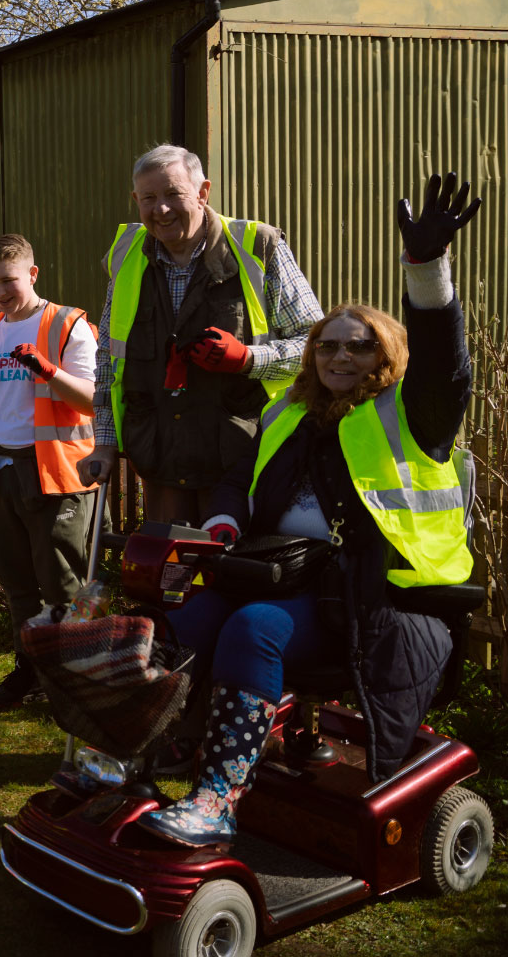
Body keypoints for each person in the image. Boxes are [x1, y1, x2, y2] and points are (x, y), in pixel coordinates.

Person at [137, 174, 478, 847]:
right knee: (175, 620)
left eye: (359, 345)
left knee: (254, 628)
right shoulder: (286, 411)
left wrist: (426, 270)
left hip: (375, 601)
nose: (340, 354)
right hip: (282, 578)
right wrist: (224, 521)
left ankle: (217, 797)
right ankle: (134, 763)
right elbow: (238, 477)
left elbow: (445, 365)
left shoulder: (413, 416)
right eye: (328, 344)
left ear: (385, 355)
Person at [79, 144, 323, 523]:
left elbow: (316, 345)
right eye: (149, 198)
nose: (161, 209)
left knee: (231, 576)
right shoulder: (126, 257)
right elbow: (109, 360)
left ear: (203, 192)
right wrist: (106, 443)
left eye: (173, 193)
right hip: (159, 461)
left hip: (244, 463)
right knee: (167, 574)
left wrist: (248, 359)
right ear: (135, 200)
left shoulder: (257, 247)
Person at [0, 235, 98, 707]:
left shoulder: (68, 325)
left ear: (32, 274)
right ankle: (28, 673)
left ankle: (76, 685)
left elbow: (92, 400)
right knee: (18, 585)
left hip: (51, 474)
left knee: (64, 585)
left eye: (8, 280)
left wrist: (48, 371)